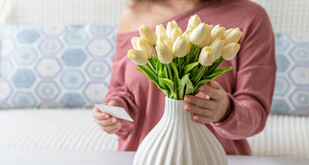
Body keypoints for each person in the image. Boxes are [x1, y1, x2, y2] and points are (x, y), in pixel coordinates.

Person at [92, 0, 276, 155]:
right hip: (144, 163)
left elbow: (256, 115)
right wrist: (114, 112)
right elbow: (119, 92)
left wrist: (225, 112)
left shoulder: (250, 17)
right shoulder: (134, 13)